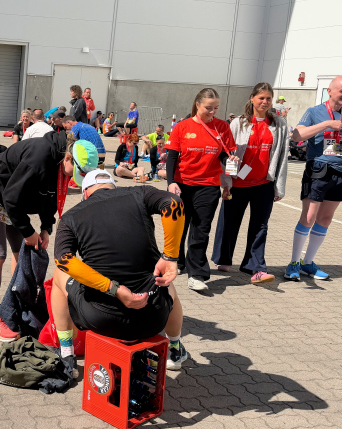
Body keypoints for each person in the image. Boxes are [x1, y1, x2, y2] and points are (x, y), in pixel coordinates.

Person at [50, 170, 189, 370]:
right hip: (152, 316)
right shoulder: (139, 193)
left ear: (85, 193)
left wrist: (113, 289)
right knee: (166, 279)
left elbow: (63, 260)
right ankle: (175, 350)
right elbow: (173, 202)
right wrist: (170, 257)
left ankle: (67, 355)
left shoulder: (70, 217)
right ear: (113, 187)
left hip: (101, 319)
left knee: (59, 273)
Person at [0, 131, 78, 342]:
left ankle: (14, 306)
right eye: (75, 172)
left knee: (21, 254)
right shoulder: (41, 156)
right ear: (68, 158)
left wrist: (46, 228)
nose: (73, 179)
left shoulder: (58, 161)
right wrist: (28, 231)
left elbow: (49, 197)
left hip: (12, 201)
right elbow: (11, 198)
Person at [212, 83, 289, 284]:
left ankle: (255, 266)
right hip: (238, 183)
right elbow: (228, 154)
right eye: (261, 98)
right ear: (252, 98)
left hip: (263, 184)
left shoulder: (279, 124)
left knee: (260, 226)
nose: (265, 102)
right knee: (229, 222)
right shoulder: (238, 123)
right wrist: (227, 182)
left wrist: (279, 186)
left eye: (268, 98)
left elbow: (282, 156)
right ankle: (223, 258)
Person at [165, 88, 238, 292]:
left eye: (216, 108)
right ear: (197, 104)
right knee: (179, 227)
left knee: (201, 229)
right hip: (182, 184)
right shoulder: (182, 126)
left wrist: (230, 160)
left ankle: (196, 274)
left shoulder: (222, 127)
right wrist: (171, 182)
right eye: (208, 108)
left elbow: (223, 155)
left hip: (208, 185)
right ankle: (178, 261)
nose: (212, 112)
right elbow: (172, 157)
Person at [285, 76, 342, 282]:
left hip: (340, 171)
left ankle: (308, 263)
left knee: (325, 218)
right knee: (309, 217)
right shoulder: (314, 112)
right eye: (341, 91)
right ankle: (294, 263)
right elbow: (297, 136)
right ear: (330, 91)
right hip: (318, 168)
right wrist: (327, 124)